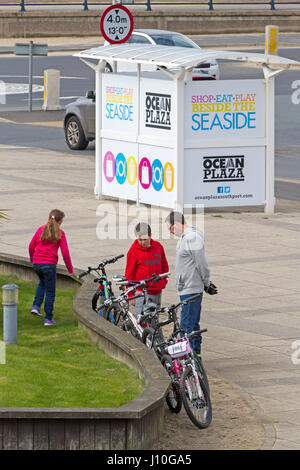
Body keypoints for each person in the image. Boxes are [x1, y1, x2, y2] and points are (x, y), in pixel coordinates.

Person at [165, 211, 217, 358]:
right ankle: (194, 357)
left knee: (187, 326)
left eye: (170, 229)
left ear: (176, 224)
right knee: (192, 326)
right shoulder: (187, 237)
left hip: (191, 288)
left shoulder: (192, 238)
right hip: (187, 287)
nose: (170, 232)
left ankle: (188, 360)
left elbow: (202, 264)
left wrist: (206, 283)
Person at [29, 209, 74, 326]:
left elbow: (31, 246)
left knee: (42, 283)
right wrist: (70, 269)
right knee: (50, 292)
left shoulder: (41, 229)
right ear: (60, 222)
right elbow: (65, 253)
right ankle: (48, 319)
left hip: (37, 263)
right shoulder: (60, 233)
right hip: (49, 265)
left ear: (49, 219)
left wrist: (32, 258)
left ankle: (36, 306)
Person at [125, 222, 169, 322]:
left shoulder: (158, 247)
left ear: (150, 236)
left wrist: (163, 281)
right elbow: (129, 274)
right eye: (139, 239)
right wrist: (131, 295)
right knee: (143, 322)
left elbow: (164, 266)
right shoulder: (133, 251)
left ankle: (153, 336)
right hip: (141, 292)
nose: (142, 242)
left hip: (157, 291)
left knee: (154, 319)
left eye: (145, 239)